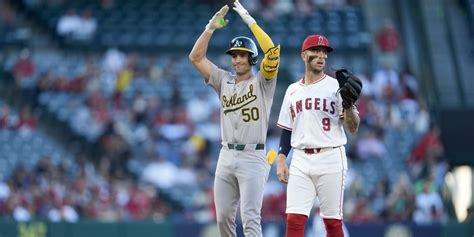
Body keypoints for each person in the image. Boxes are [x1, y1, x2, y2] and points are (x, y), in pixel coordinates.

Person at [188, 1, 280, 236]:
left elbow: (272, 52)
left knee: (250, 218)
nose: (237, 59)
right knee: (223, 219)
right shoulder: (223, 80)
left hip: (253, 155)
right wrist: (210, 28)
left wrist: (251, 21)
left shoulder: (263, 82)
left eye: (243, 55)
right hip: (226, 154)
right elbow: (196, 58)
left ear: (252, 58)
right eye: (234, 55)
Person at [275, 35, 362, 237]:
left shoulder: (336, 86)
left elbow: (353, 127)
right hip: (300, 158)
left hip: (330, 156)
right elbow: (287, 129)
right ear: (304, 55)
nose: (321, 55)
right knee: (294, 220)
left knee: (332, 222)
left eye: (324, 52)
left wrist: (348, 105)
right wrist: (280, 159)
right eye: (316, 51)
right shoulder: (292, 90)